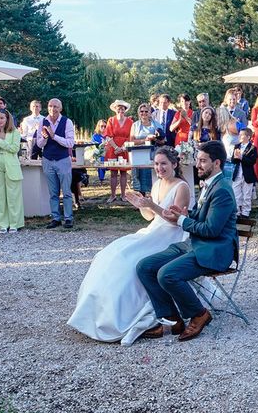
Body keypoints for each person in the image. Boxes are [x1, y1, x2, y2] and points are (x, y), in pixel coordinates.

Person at [68, 147, 191, 345]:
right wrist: (143, 207)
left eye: (163, 164)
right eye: (156, 164)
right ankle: (97, 314)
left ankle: (128, 315)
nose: (159, 168)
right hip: (153, 231)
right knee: (110, 254)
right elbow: (151, 217)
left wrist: (150, 205)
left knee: (128, 261)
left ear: (174, 164)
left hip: (171, 236)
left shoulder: (181, 187)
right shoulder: (158, 183)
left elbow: (175, 220)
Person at [136, 141, 238, 342]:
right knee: (144, 266)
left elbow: (212, 229)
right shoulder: (211, 184)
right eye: (198, 160)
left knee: (167, 274)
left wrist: (183, 220)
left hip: (215, 251)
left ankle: (199, 314)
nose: (197, 165)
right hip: (196, 244)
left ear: (216, 163)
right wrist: (184, 214)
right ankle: (171, 319)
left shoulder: (222, 191)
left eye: (202, 161)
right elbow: (203, 218)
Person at [0, 108, 24, 233]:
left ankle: (14, 223)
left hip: (11, 166)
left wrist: (0, 141)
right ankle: (2, 224)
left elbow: (14, 149)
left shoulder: (14, 132)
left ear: (7, 119)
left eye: (2, 118)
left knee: (13, 195)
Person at [36, 98, 75, 229]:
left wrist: (54, 136)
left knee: (66, 191)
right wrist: (45, 138)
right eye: (51, 106)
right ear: (48, 107)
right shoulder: (43, 121)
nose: (53, 109)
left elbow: (70, 143)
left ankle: (68, 218)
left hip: (63, 160)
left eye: (56, 106)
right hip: (48, 159)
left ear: (60, 108)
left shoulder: (67, 122)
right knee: (53, 192)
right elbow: (39, 144)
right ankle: (56, 218)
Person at [129, 104, 164, 195]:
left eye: (146, 111)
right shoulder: (135, 125)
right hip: (138, 154)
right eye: (141, 111)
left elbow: (163, 141)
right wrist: (145, 140)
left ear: (150, 113)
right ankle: (141, 198)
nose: (144, 113)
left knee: (153, 175)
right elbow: (132, 141)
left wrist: (155, 139)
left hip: (153, 153)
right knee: (139, 176)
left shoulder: (157, 124)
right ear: (139, 113)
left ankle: (154, 197)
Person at [104, 100, 133, 203]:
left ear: (125, 110)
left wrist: (123, 148)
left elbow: (131, 136)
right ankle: (112, 195)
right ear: (115, 110)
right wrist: (116, 147)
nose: (120, 110)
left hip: (125, 148)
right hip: (113, 148)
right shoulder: (111, 120)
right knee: (113, 172)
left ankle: (123, 195)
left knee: (124, 172)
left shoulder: (130, 121)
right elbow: (108, 135)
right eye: (118, 108)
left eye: (122, 108)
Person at [231, 128, 258, 219]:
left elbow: (252, 162)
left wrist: (241, 157)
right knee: (236, 192)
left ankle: (246, 212)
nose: (239, 136)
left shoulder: (253, 148)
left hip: (247, 173)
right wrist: (235, 157)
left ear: (248, 137)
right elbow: (233, 160)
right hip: (238, 173)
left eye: (242, 135)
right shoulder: (237, 146)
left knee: (247, 193)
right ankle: (237, 211)